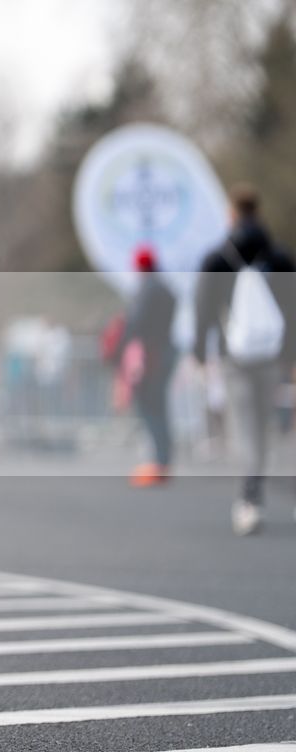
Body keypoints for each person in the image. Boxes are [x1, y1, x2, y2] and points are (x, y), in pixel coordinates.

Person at [193, 184, 296, 536]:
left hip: (233, 354)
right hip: (271, 353)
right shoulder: (279, 256)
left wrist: (198, 351)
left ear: (232, 213)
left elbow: (204, 308)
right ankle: (256, 490)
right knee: (263, 426)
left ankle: (248, 497)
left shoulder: (218, 258)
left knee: (244, 426)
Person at [124, 245, 179, 487]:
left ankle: (158, 461)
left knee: (150, 406)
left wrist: (119, 348)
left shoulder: (147, 290)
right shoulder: (166, 288)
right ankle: (163, 459)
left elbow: (136, 323)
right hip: (165, 349)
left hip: (152, 353)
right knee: (159, 406)